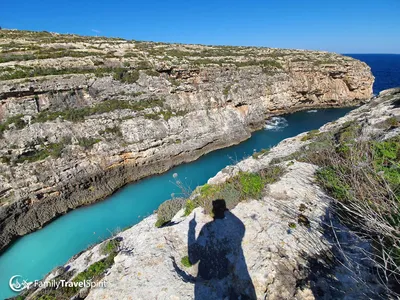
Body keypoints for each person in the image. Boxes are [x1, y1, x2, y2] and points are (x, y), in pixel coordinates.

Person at [187, 199, 256, 299]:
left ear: (213, 212)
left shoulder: (207, 228)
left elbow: (193, 258)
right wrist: (225, 211)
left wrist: (191, 229)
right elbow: (241, 226)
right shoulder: (234, 227)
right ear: (224, 210)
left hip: (209, 274)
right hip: (226, 271)